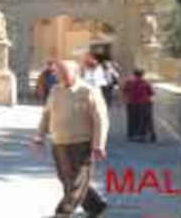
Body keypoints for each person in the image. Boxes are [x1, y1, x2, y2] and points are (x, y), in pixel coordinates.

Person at [33, 59, 109, 217]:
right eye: (58, 73)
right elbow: (46, 115)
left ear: (75, 73)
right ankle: (95, 205)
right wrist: (39, 136)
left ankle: (63, 212)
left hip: (82, 143)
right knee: (66, 179)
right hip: (59, 142)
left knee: (77, 181)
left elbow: (100, 119)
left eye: (63, 73)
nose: (59, 76)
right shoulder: (55, 90)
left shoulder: (88, 91)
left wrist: (98, 144)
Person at [122, 69, 156, 142]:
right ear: (142, 75)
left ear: (134, 74)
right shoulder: (146, 83)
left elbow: (124, 91)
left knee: (132, 119)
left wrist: (125, 99)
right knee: (143, 119)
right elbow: (151, 93)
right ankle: (143, 134)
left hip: (131, 103)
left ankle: (131, 134)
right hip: (144, 103)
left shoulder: (129, 82)